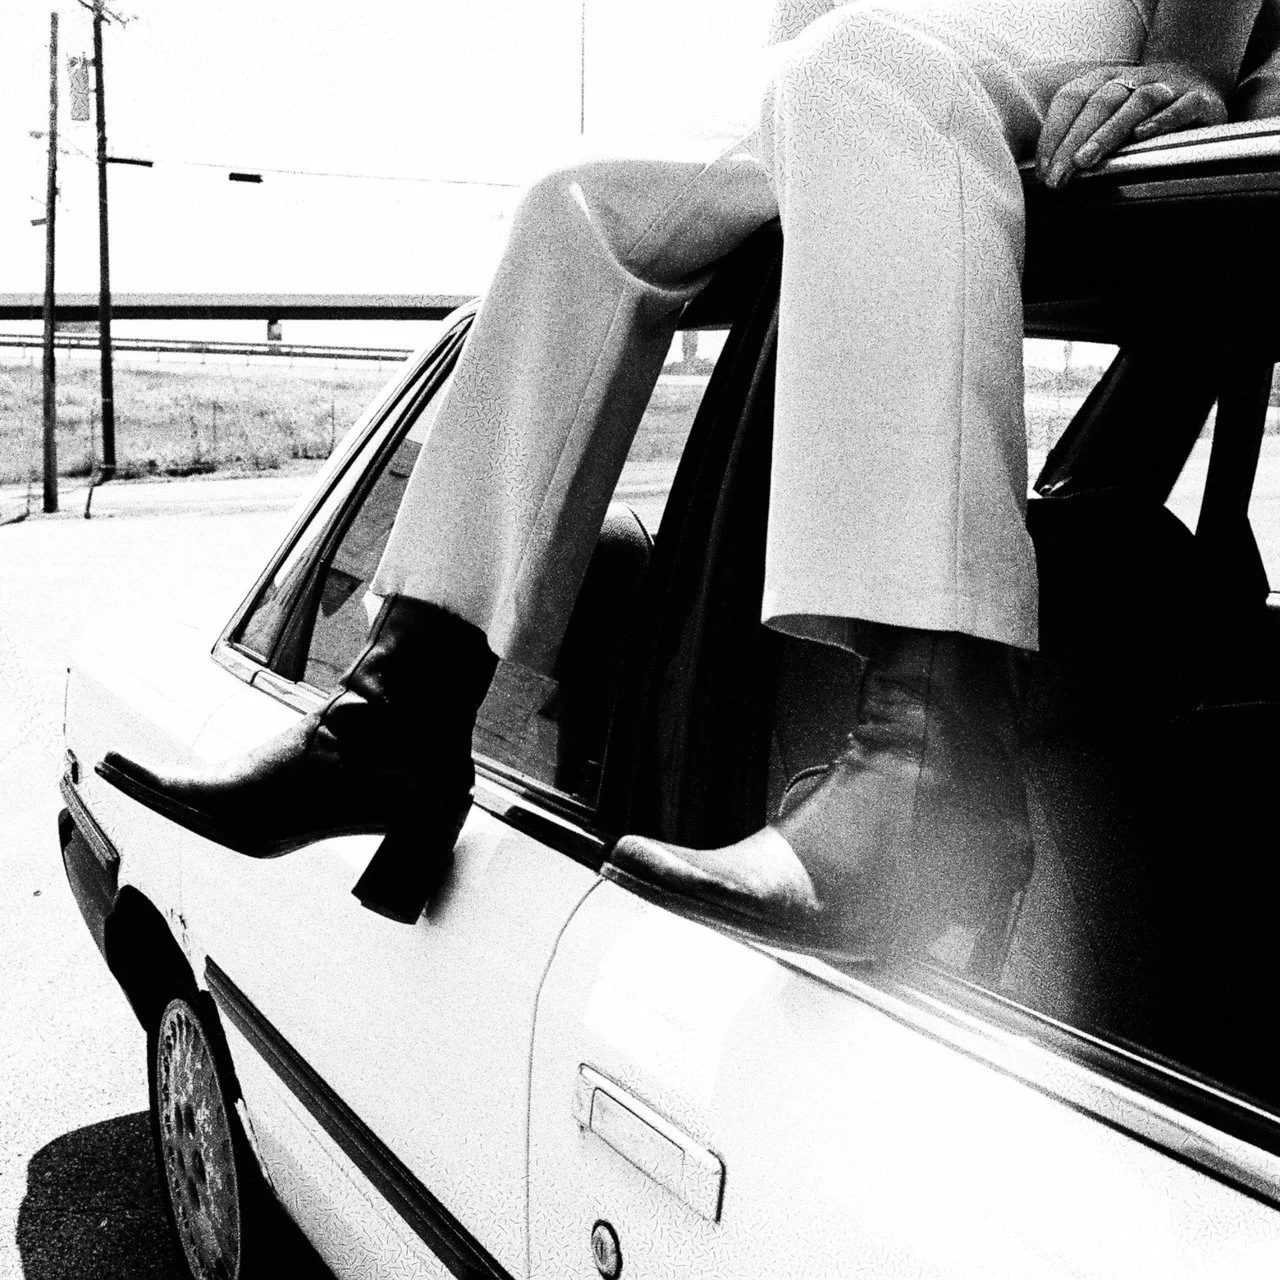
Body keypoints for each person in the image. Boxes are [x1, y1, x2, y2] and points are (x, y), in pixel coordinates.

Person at [99, 0, 1267, 960]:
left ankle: (932, 771)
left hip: (1089, 21)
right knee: (578, 196)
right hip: (889, 45)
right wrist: (793, 86)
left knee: (855, 64)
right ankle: (397, 715)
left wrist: (1190, 63)